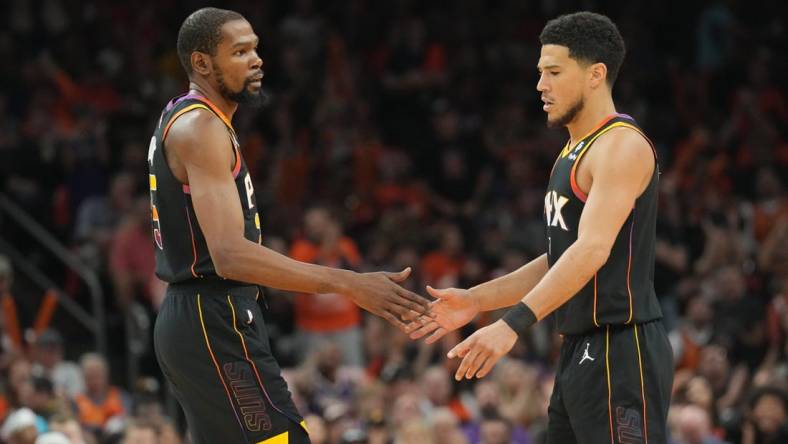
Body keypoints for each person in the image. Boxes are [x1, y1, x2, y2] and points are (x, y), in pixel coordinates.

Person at [149, 8, 431, 444]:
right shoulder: (201, 126)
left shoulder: (191, 118)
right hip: (211, 317)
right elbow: (229, 254)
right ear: (202, 63)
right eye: (240, 51)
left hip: (207, 317)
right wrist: (349, 283)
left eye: (256, 48)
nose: (257, 60)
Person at [409, 12, 673, 443]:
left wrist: (511, 325)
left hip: (621, 349)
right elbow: (559, 258)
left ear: (595, 75)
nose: (540, 86)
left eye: (553, 72)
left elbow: (590, 251)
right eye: (539, 73)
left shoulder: (621, 145)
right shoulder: (572, 150)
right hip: (579, 349)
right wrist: (477, 300)